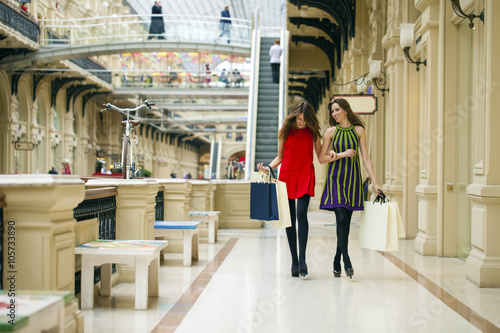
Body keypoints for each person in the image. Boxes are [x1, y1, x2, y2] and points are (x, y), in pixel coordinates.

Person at [257, 100, 326, 278]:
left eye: (305, 119)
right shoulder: (285, 131)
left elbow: (320, 157)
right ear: (294, 116)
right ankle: (294, 261)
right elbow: (280, 157)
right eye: (299, 118)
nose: (302, 122)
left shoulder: (313, 132)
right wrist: (268, 169)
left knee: (301, 213)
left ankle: (303, 259)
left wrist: (334, 154)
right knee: (290, 219)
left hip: (305, 174)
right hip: (287, 176)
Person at [318, 97, 384, 279]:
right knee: (340, 216)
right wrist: (339, 155)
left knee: (345, 222)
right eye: (332, 111)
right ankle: (346, 260)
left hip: (352, 180)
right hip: (335, 179)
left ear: (346, 110)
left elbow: (366, 158)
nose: (335, 113)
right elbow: (322, 158)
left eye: (337, 110)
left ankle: (336, 258)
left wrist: (375, 182)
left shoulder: (359, 130)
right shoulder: (330, 132)